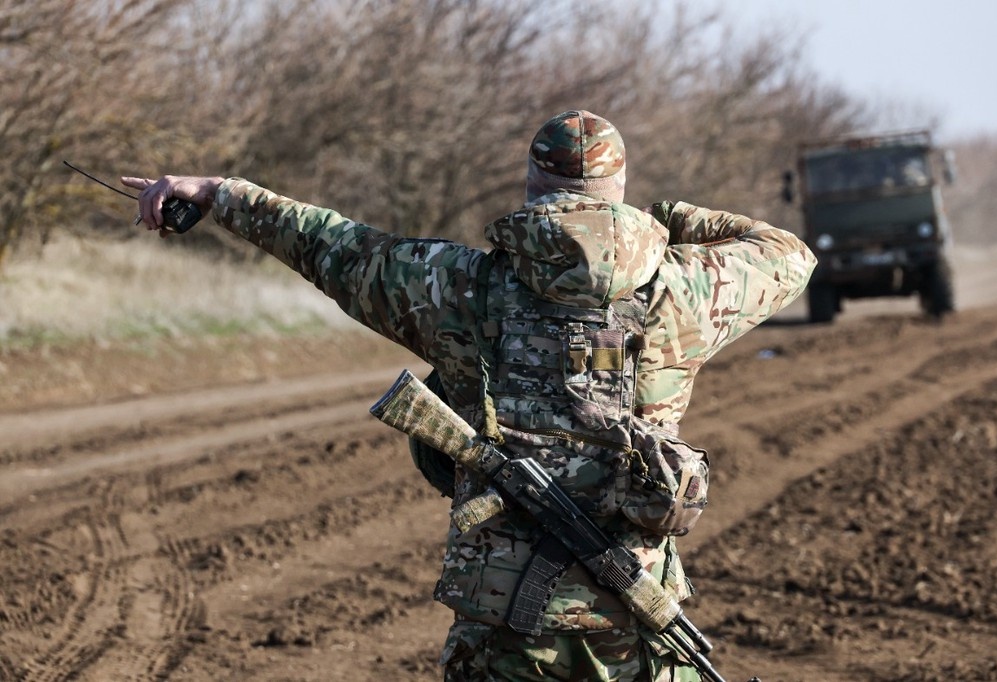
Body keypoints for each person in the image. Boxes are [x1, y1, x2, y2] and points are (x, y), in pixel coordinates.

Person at [123, 110, 815, 681]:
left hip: (500, 619)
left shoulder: (458, 287)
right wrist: (674, 218)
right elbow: (788, 252)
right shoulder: (686, 292)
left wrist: (221, 194)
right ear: (619, 186)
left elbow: (335, 247)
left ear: (532, 183)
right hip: (633, 618)